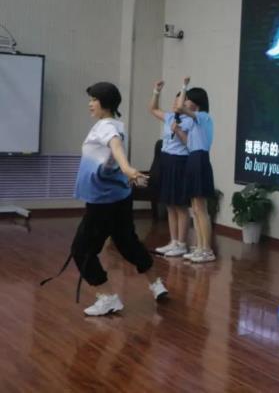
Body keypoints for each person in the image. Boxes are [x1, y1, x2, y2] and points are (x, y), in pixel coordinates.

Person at [70, 82, 167, 316]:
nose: (90, 104)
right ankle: (156, 284)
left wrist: (127, 168)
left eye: (94, 99)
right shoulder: (115, 124)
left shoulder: (106, 127)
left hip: (103, 201)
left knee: (81, 250)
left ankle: (108, 298)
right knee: (127, 243)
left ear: (105, 103)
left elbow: (116, 146)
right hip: (119, 196)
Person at [173, 77, 216, 263]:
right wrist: (178, 131)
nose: (185, 102)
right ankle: (199, 246)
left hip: (200, 160)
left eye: (188, 99)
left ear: (196, 102)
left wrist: (184, 86)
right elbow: (188, 142)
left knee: (201, 208)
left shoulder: (203, 116)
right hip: (192, 158)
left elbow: (179, 107)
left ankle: (207, 249)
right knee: (195, 209)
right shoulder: (193, 122)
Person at [150, 80, 191, 257]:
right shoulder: (169, 117)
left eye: (181, 101)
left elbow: (191, 144)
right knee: (169, 204)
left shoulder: (190, 121)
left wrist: (179, 131)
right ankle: (173, 241)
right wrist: (156, 91)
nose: (177, 104)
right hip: (166, 160)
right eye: (175, 101)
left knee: (180, 205)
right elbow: (153, 109)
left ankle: (182, 243)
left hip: (180, 162)